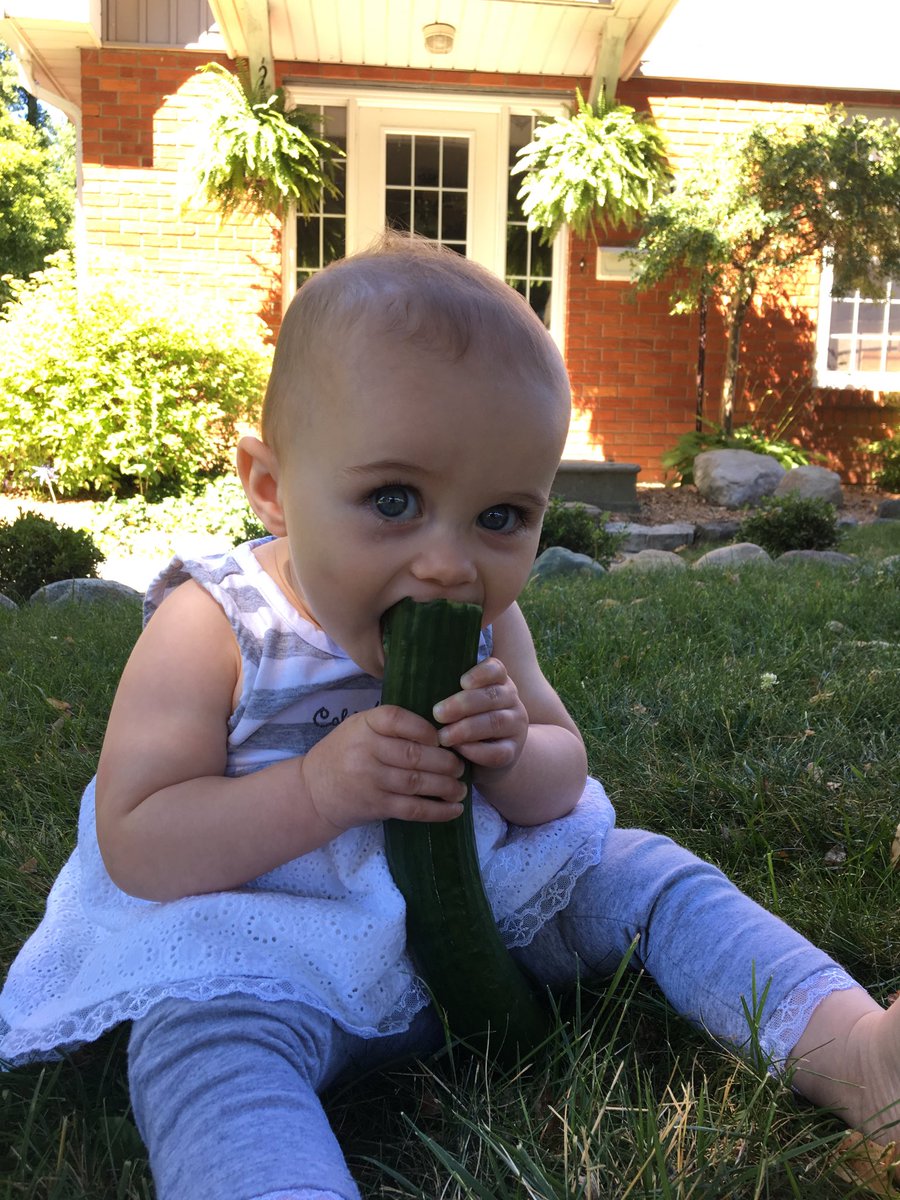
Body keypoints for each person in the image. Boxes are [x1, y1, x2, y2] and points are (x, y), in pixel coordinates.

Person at [1, 236, 898, 1200]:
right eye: (395, 500)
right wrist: (317, 788)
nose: (449, 563)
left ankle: (857, 1052)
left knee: (653, 876)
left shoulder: (489, 619)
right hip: (262, 943)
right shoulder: (213, 626)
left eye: (501, 517)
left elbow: (562, 777)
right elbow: (140, 841)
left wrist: (513, 752)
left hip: (487, 900)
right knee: (202, 1052)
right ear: (270, 485)